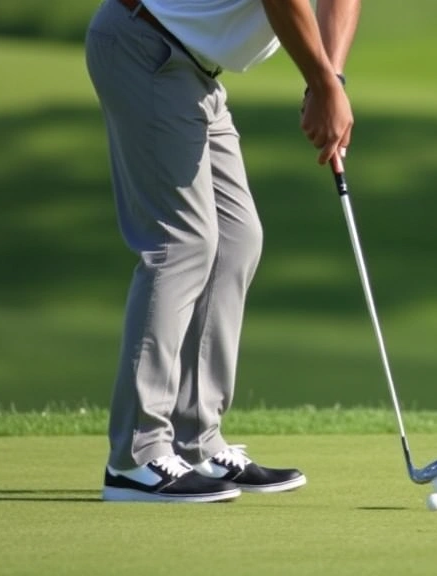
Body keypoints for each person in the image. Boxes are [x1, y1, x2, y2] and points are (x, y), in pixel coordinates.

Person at [85, 0, 359, 502]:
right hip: (145, 44)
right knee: (182, 241)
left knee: (237, 237)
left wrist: (331, 80)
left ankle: (196, 443)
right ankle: (136, 457)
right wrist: (320, 84)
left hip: (192, 69)